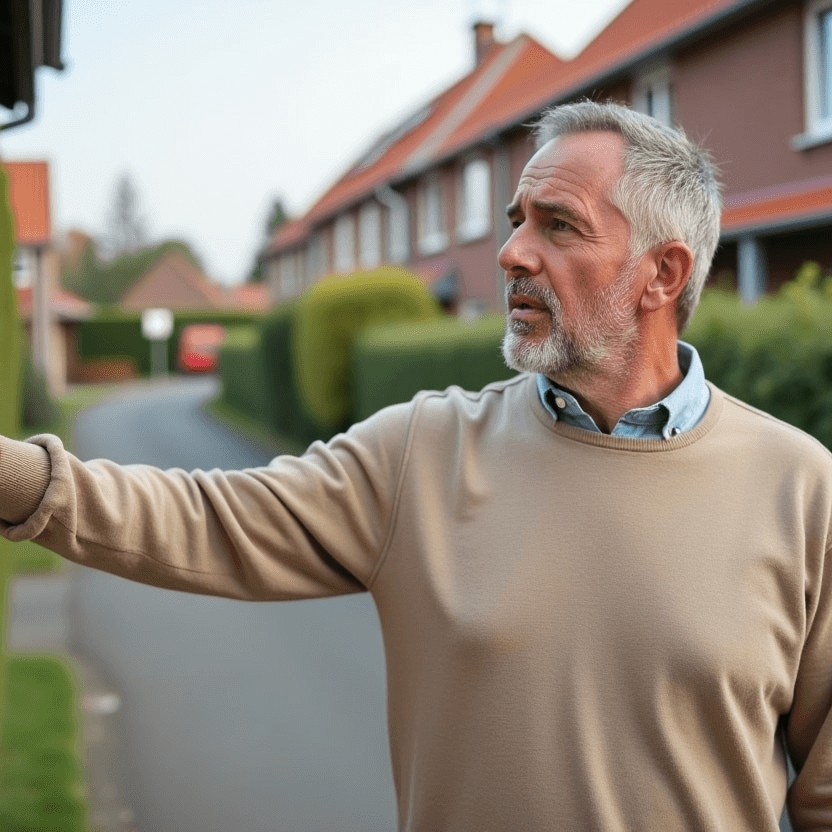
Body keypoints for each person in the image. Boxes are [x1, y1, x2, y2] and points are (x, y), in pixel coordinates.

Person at [1, 101, 830, 831]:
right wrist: (16, 476)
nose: (511, 252)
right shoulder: (423, 452)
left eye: (558, 224)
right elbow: (208, 520)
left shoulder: (802, 491)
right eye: (514, 220)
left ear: (663, 273)